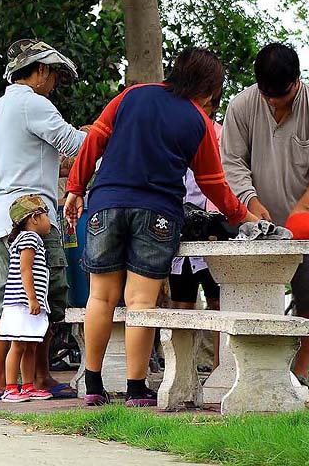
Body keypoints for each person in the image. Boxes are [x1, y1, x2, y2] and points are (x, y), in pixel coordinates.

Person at [64, 48, 258, 407]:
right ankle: (137, 390)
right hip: (157, 212)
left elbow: (94, 140)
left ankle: (93, 385)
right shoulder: (198, 120)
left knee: (101, 297)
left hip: (107, 203)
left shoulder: (133, 95)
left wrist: (75, 188)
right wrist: (241, 215)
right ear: (210, 90)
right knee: (141, 302)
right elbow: (213, 183)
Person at [220, 42, 309, 387]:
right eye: (267, 94)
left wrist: (302, 207)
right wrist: (250, 201)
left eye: (281, 94)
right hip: (259, 226)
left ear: (297, 81)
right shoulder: (241, 105)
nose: (273, 101)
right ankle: (257, 377)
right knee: (256, 297)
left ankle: (298, 375)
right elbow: (232, 161)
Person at [0, 39, 86, 401]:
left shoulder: (1, 107)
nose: (54, 81)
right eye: (53, 74)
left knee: (3, 302)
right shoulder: (34, 103)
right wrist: (98, 135)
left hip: (4, 213)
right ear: (40, 71)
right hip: (34, 215)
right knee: (40, 298)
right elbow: (74, 144)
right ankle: (38, 379)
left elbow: (37, 159)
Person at [168, 98, 223, 370]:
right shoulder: (172, 135)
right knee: (180, 302)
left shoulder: (221, 135)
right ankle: (181, 371)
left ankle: (219, 367)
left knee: (218, 301)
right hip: (178, 227)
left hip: (212, 229)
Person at [0, 195, 55, 402]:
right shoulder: (30, 238)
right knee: (18, 345)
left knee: (31, 344)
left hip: (29, 303)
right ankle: (11, 387)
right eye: (46, 215)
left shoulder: (32, 239)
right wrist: (32, 298)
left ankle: (28, 386)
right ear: (34, 218)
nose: (49, 220)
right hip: (21, 303)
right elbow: (25, 270)